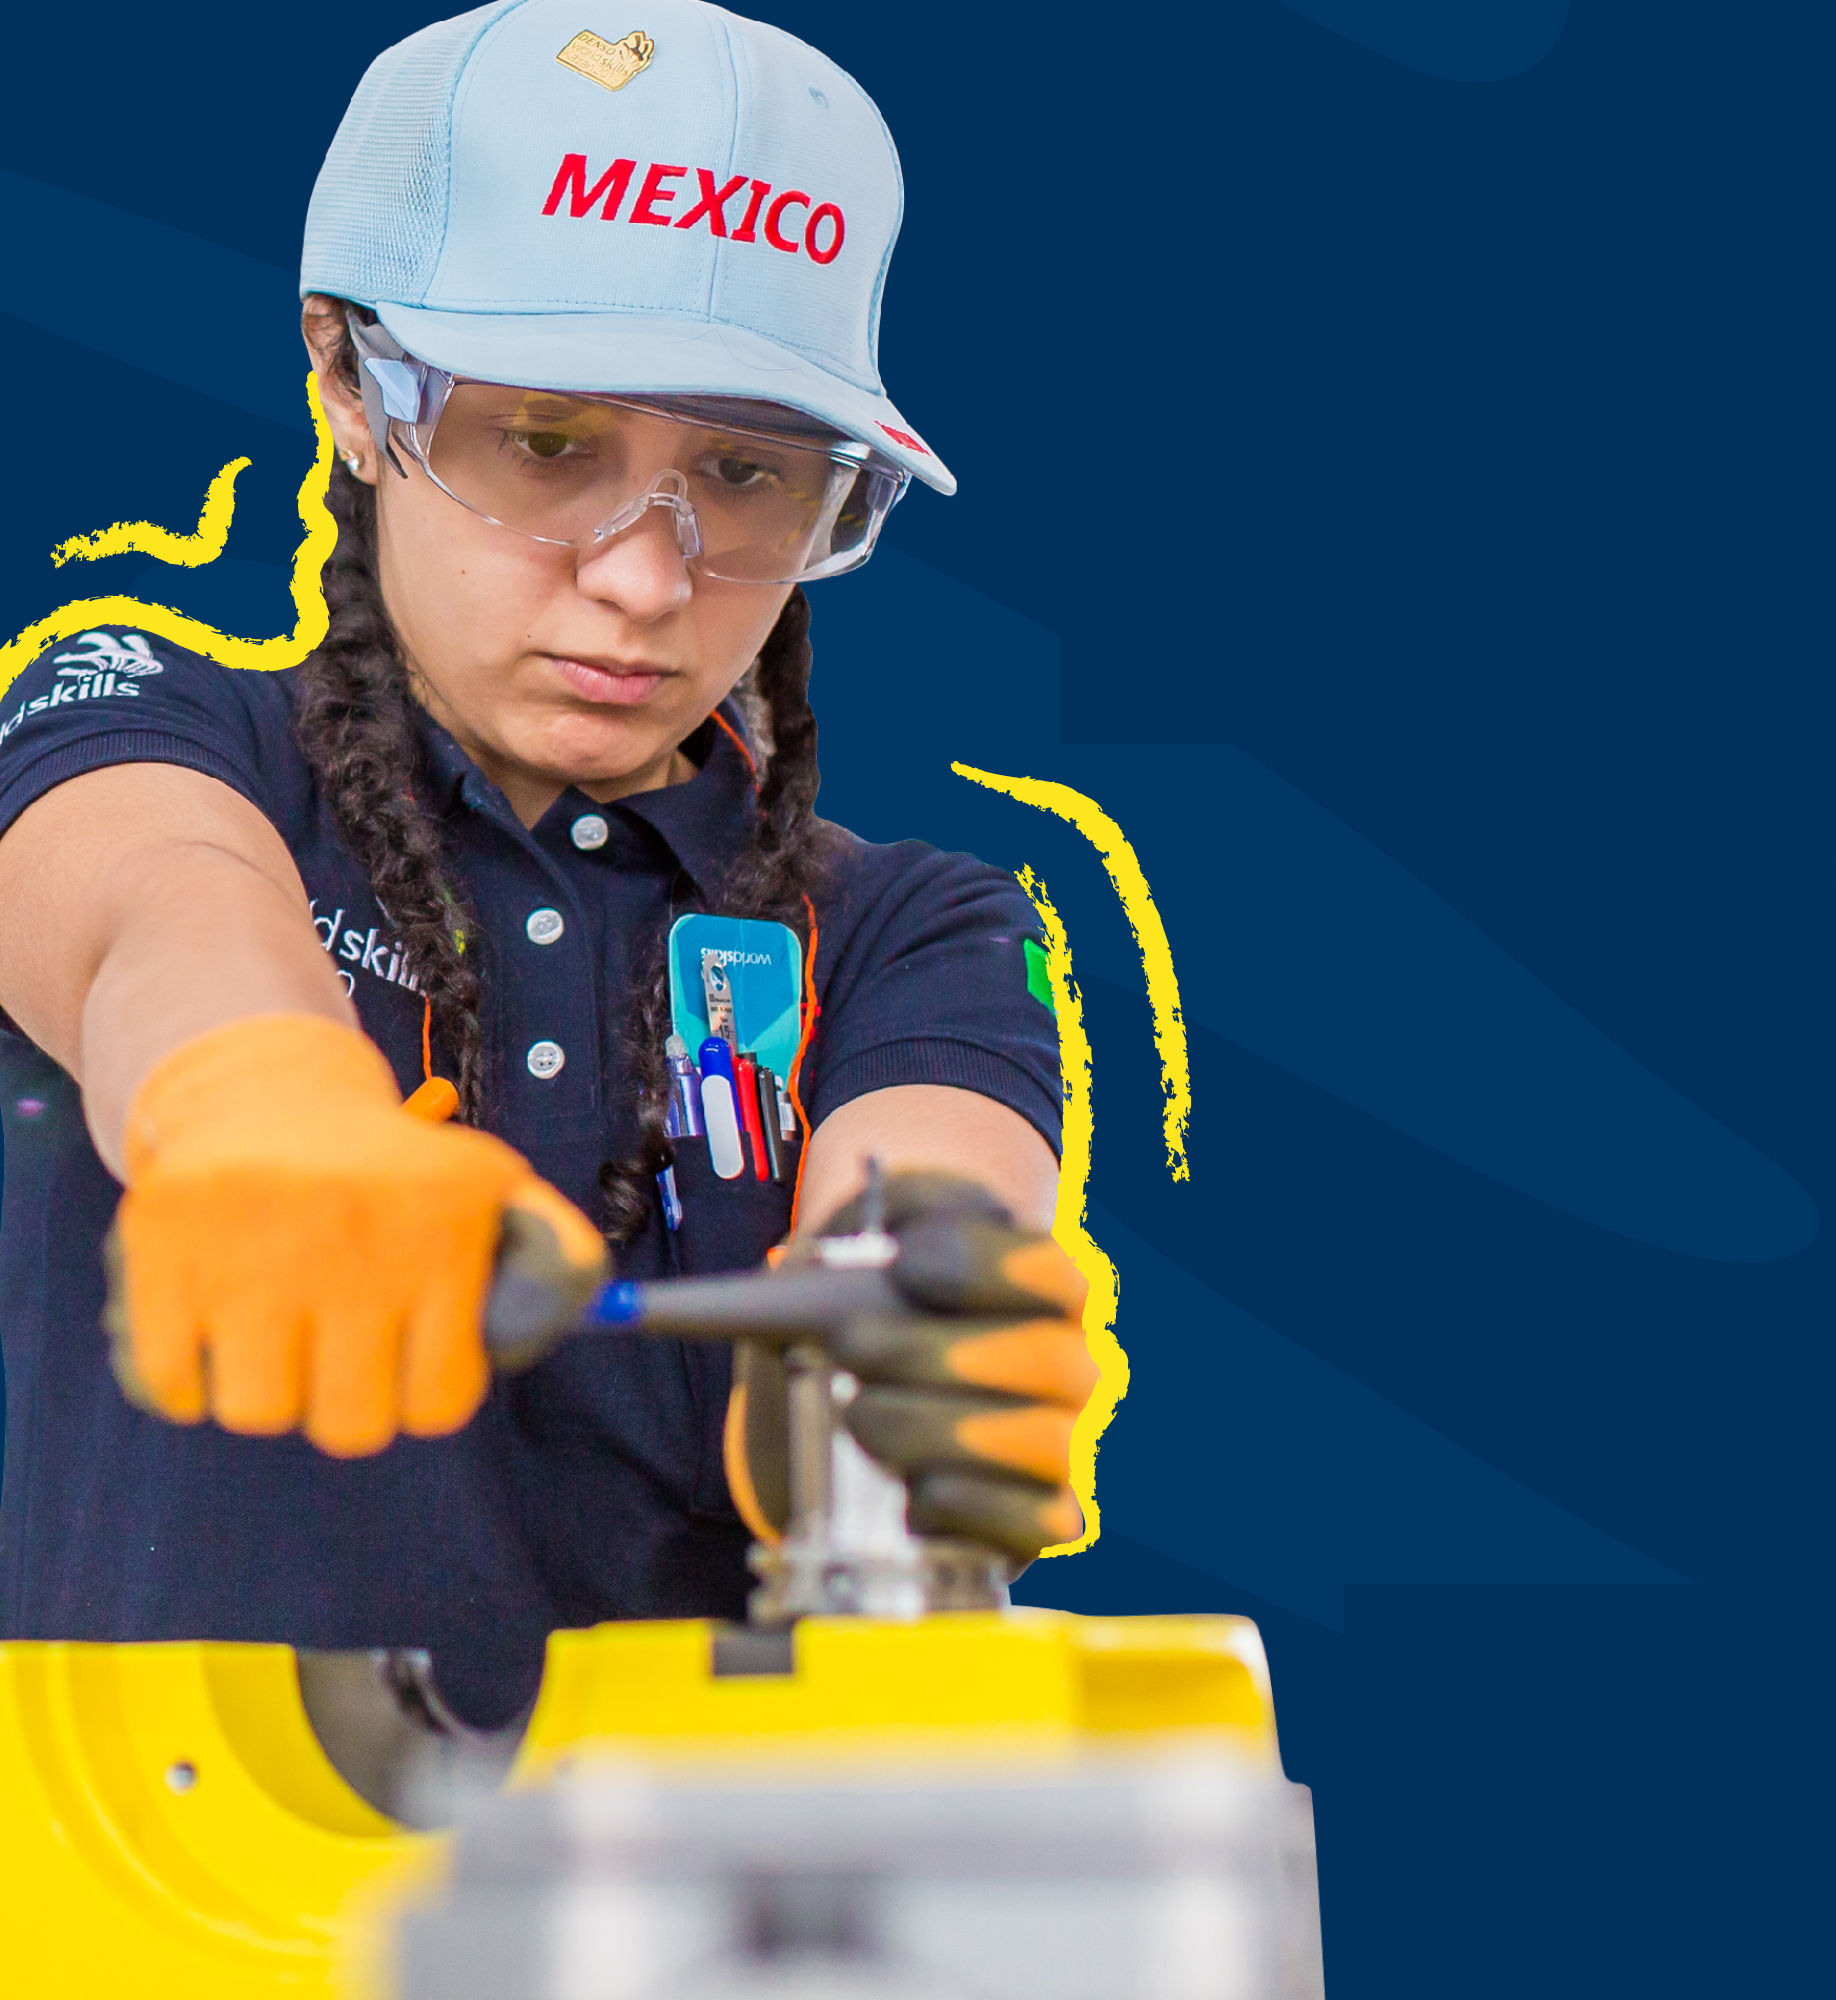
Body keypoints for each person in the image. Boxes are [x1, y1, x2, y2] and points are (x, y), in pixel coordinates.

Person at [0, 0, 1091, 1729]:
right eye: (552, 446)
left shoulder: (912, 931)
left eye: (743, 476)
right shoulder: (151, 719)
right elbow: (145, 899)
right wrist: (253, 1104)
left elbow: (918, 1229)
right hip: (138, 1925)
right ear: (354, 388)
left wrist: (901, 1392)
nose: (649, 584)